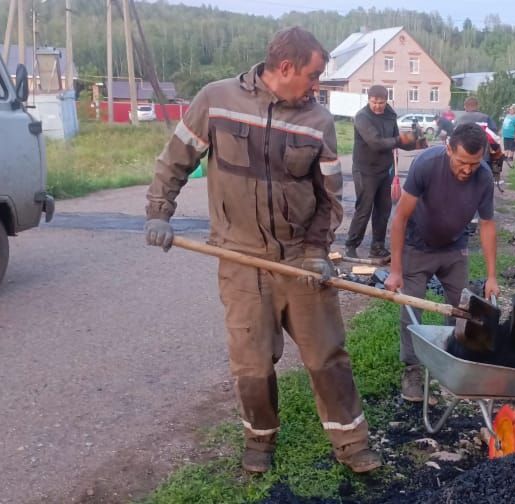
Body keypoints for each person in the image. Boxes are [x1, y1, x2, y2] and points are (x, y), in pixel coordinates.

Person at [142, 26, 381, 474]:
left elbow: (330, 196)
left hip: (299, 260)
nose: (316, 86)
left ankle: (352, 443)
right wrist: (159, 211)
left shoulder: (317, 122)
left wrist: (315, 250)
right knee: (251, 364)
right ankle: (260, 441)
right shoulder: (215, 100)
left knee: (327, 356)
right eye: (313, 76)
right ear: (285, 67)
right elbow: (176, 157)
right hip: (240, 260)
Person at [383, 123, 501, 401]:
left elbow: (487, 224)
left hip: (454, 246)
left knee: (460, 308)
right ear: (449, 149)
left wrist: (492, 276)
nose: (468, 169)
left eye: (474, 162)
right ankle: (413, 370)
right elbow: (399, 218)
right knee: (411, 308)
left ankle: (451, 362)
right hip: (417, 245)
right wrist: (395, 270)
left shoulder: (483, 177)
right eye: (462, 162)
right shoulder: (426, 164)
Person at [346, 85, 420, 259]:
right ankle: (351, 245)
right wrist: (399, 139)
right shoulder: (362, 117)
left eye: (381, 102)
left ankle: (377, 247)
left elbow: (396, 141)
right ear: (368, 99)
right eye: (374, 102)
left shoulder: (390, 114)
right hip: (365, 170)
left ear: (387, 100)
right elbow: (376, 143)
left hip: (385, 169)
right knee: (364, 209)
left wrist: (414, 142)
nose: (377, 106)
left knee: (383, 209)